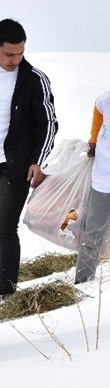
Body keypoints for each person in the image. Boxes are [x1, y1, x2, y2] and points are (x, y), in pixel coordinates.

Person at [0, 18, 58, 302]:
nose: (16, 59)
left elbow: (49, 123)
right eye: (9, 54)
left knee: (4, 229)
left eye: (21, 53)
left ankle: (7, 295)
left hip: (14, 168)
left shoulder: (33, 79)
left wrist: (38, 160)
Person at [75, 91, 110, 283]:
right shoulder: (106, 100)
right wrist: (93, 141)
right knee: (93, 232)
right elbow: (98, 112)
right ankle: (83, 282)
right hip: (104, 178)